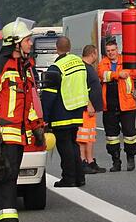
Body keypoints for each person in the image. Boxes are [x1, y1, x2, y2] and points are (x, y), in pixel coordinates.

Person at [0, 19, 42, 222]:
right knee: (7, 178)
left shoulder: (24, 67)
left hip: (19, 134)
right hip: (4, 134)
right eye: (27, 40)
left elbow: (28, 103)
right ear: (15, 43)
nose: (30, 43)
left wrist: (36, 126)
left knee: (2, 178)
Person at [42, 37, 100, 188]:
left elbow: (49, 95)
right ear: (70, 47)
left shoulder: (56, 68)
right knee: (74, 145)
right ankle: (80, 177)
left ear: (56, 48)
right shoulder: (79, 63)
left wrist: (45, 117)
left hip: (62, 112)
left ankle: (68, 178)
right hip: (77, 111)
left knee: (64, 147)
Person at [98, 39, 136, 172]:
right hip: (110, 105)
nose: (111, 53)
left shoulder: (126, 61)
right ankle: (116, 161)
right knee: (111, 136)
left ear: (117, 50)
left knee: (130, 133)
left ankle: (130, 157)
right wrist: (118, 74)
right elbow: (103, 75)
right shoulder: (103, 63)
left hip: (127, 104)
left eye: (113, 50)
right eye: (108, 51)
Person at [78, 45, 106, 175]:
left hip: (91, 110)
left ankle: (90, 161)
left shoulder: (88, 67)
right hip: (86, 109)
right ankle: (82, 161)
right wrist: (88, 104)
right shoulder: (83, 68)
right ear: (93, 54)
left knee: (89, 137)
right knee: (83, 137)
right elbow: (82, 88)